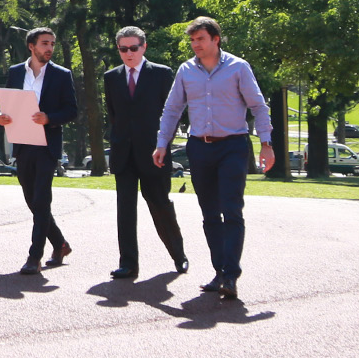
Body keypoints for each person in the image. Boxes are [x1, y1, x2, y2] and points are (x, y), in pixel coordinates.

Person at [154, 16, 275, 302]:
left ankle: (231, 274)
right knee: (209, 214)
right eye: (193, 40)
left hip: (232, 146)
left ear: (215, 39)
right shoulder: (186, 70)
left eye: (201, 39)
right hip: (199, 148)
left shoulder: (238, 67)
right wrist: (162, 144)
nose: (196, 45)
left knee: (231, 209)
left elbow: (258, 106)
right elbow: (172, 110)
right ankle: (219, 271)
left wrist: (267, 144)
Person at [102, 26, 189, 279]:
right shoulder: (111, 77)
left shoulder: (161, 74)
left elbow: (172, 112)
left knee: (160, 205)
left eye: (133, 48)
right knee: (125, 210)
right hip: (123, 154)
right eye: (123, 49)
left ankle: (178, 254)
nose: (129, 53)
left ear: (144, 48)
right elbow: (114, 113)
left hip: (155, 153)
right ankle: (128, 263)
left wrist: (164, 144)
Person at [0, 26, 79, 275]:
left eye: (52, 44)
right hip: (22, 145)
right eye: (45, 43)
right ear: (31, 46)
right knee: (33, 201)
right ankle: (61, 244)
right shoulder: (15, 72)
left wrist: (49, 118)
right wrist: (0, 116)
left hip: (47, 146)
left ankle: (35, 256)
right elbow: (6, 105)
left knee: (42, 199)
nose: (50, 48)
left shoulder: (62, 75)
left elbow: (72, 111)